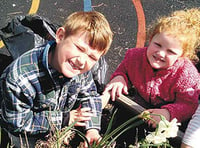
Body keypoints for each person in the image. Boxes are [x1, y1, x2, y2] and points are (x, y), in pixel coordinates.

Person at [0, 11, 113, 148]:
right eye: (79, 48)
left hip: (57, 121)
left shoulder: (79, 69)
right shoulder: (20, 78)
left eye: (92, 57)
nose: (82, 61)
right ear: (60, 36)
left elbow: (90, 95)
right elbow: (17, 122)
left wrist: (93, 130)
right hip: (23, 131)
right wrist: (65, 119)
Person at [103, 8, 200, 129]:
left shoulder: (186, 75)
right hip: (140, 107)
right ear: (150, 39)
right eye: (157, 45)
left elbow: (189, 105)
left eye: (170, 51)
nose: (160, 53)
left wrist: (168, 113)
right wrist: (120, 78)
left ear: (182, 55)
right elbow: (124, 70)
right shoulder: (135, 57)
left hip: (169, 119)